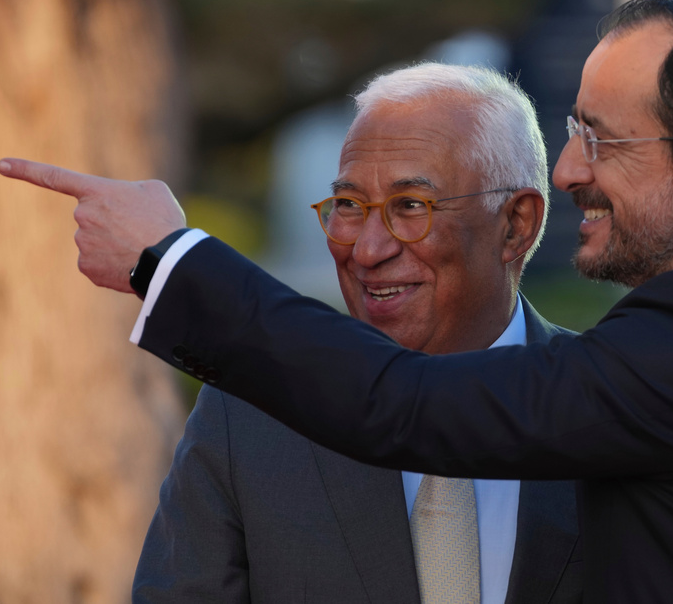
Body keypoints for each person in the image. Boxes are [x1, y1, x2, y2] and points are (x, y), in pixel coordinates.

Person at [0, 0, 673, 603]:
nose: (570, 169)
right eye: (345, 203)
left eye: (602, 139)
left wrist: (171, 259)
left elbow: (408, 406)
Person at [130, 63, 582, 603]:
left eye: (410, 206)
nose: (367, 250)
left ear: (516, 224)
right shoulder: (250, 418)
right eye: (348, 206)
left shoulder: (610, 404)